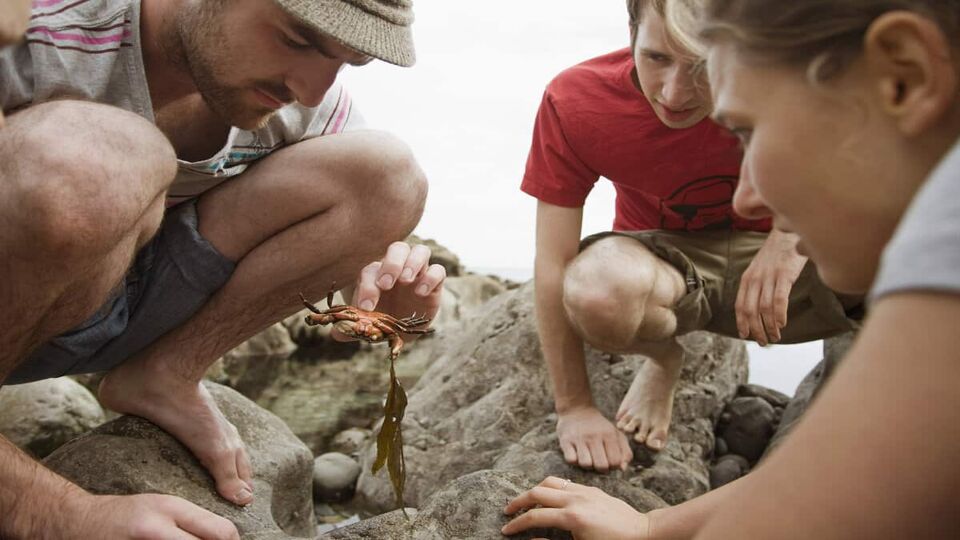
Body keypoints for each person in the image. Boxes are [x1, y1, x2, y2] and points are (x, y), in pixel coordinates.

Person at [503, 0, 960, 538]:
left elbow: (864, 473)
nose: (746, 199)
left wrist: (653, 527)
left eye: (748, 128)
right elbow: (870, 457)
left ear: (902, 77)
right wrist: (652, 525)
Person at [0, 0, 445, 537]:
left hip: (126, 300)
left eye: (346, 62)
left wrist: (378, 293)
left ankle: (164, 373)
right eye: (298, 40)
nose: (309, 90)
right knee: (110, 159)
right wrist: (61, 511)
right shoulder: (36, 39)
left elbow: (362, 213)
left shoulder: (300, 106)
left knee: (389, 175)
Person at [521, 0, 858, 474]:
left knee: (909, 264)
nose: (676, 93)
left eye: (702, 63)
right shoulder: (575, 100)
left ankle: (856, 407)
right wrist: (575, 408)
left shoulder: (782, 77)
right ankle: (664, 360)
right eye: (657, 57)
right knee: (597, 289)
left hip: (777, 259)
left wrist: (788, 238)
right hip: (668, 267)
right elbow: (553, 261)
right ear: (632, 30)